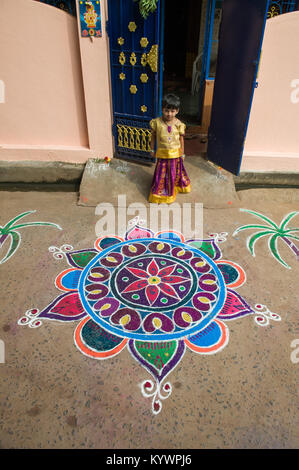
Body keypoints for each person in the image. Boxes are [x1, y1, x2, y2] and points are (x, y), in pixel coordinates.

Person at [148, 94, 191, 204]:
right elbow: (152, 137)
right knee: (161, 173)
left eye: (172, 111)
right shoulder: (156, 123)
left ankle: (172, 189)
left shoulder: (179, 124)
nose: (169, 114)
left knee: (173, 172)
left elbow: (181, 140)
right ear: (162, 109)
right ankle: (160, 192)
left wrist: (182, 153)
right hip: (162, 154)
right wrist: (152, 149)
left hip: (175, 155)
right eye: (167, 110)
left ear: (177, 111)